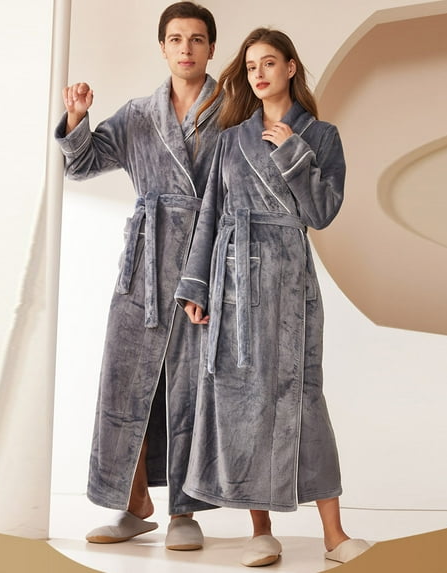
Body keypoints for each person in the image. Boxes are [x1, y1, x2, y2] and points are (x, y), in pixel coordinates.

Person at [175, 28, 371, 566]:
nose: (258, 73)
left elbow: (322, 213)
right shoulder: (230, 139)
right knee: (243, 401)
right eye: (250, 66)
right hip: (233, 283)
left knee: (303, 397)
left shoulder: (321, 137)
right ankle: (260, 529)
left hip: (289, 283)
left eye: (268, 63)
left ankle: (334, 535)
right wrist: (196, 285)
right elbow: (210, 213)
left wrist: (291, 153)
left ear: (290, 68)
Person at [55, 2, 222, 551]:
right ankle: (134, 504)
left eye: (196, 39)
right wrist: (77, 118)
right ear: (163, 47)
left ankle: (185, 512)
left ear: (211, 48)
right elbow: (82, 165)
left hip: (206, 266)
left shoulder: (233, 114)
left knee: (191, 389)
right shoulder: (139, 114)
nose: (186, 48)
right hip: (144, 268)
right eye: (176, 39)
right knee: (127, 382)